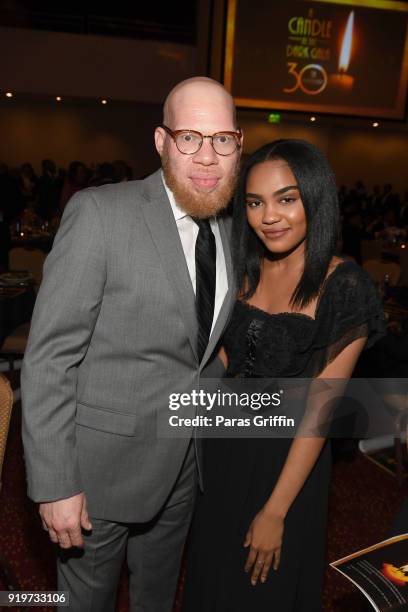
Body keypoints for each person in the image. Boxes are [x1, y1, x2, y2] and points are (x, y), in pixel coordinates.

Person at [21, 77, 242, 612]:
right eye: (190, 137)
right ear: (162, 141)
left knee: (158, 600)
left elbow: (199, 349)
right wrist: (55, 485)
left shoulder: (233, 227)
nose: (207, 157)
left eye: (223, 140)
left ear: (239, 145)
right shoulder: (102, 214)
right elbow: (50, 356)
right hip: (98, 475)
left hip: (184, 468)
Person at [182, 139, 385, 611]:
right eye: (254, 202)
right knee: (211, 581)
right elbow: (229, 362)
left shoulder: (344, 284)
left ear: (315, 198)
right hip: (223, 451)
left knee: (264, 591)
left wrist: (276, 511)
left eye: (286, 199)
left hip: (288, 467)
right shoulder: (245, 269)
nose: (268, 216)